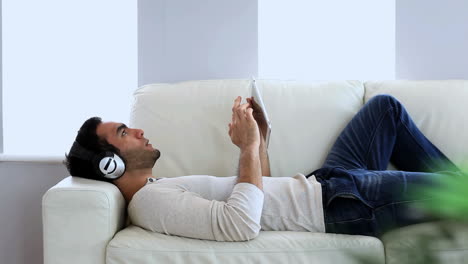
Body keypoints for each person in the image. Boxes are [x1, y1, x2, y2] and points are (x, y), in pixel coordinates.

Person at [65, 94, 463, 242]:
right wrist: (247, 146)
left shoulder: (159, 186)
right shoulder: (149, 205)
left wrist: (262, 141)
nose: (137, 130)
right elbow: (241, 224)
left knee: (384, 109)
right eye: (123, 132)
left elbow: (262, 194)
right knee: (456, 193)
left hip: (326, 181)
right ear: (110, 163)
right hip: (343, 204)